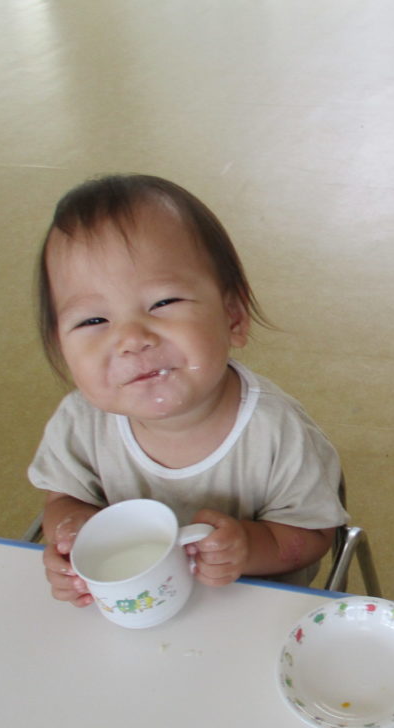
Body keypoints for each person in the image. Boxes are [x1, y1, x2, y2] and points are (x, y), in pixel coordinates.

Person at [29, 174, 346, 605]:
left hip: (251, 608)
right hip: (138, 608)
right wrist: (71, 535)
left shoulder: (279, 432)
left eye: (163, 302)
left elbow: (311, 536)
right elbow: (63, 500)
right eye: (93, 321)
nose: (131, 339)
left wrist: (247, 547)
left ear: (232, 316)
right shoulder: (79, 423)